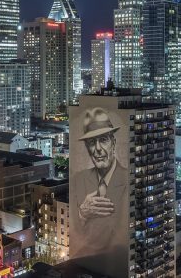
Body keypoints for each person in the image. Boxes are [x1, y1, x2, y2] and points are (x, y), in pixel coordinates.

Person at [70, 107, 128, 262]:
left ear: (113, 143)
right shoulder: (78, 179)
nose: (97, 149)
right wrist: (82, 214)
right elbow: (75, 230)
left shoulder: (129, 179)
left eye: (103, 140)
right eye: (91, 142)